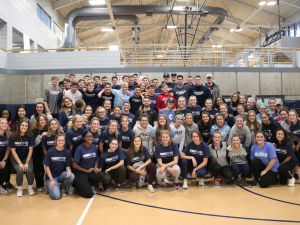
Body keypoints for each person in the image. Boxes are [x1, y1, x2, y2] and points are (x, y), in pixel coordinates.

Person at [43, 134, 75, 200]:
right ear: (56, 141)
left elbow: (67, 166)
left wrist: (69, 171)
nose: (61, 142)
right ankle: (48, 185)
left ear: (65, 141)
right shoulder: (50, 152)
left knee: (71, 176)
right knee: (56, 196)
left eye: (62, 140)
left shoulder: (67, 152)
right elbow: (47, 167)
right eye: (59, 140)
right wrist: (51, 180)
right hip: (51, 177)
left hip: (61, 175)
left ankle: (62, 188)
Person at [73, 130, 103, 198]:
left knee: (100, 175)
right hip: (81, 173)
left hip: (90, 171)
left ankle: (91, 184)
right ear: (84, 138)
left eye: (91, 136)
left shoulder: (93, 147)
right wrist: (86, 171)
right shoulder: (79, 149)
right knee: (89, 195)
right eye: (87, 137)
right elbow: (74, 165)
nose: (90, 138)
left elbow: (96, 159)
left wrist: (95, 166)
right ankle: (76, 187)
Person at [9, 120, 35, 197]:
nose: (24, 127)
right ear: (19, 126)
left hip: (26, 157)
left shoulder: (30, 136)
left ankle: (30, 187)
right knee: (20, 171)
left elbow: (30, 150)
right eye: (22, 125)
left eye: (26, 126)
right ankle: (19, 189)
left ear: (28, 127)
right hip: (15, 157)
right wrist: (20, 163)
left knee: (29, 171)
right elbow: (13, 151)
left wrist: (26, 162)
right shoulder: (13, 136)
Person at [31, 114, 49, 192]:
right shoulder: (34, 130)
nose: (42, 121)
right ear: (38, 121)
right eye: (41, 120)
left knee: (44, 168)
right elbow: (34, 144)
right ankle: (39, 185)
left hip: (45, 151)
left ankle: (45, 184)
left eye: (44, 120)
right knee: (37, 169)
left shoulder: (49, 129)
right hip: (36, 152)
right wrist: (41, 136)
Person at [0, 118, 11, 194]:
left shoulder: (8, 135)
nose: (4, 124)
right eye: (2, 123)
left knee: (4, 170)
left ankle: (0, 187)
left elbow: (8, 149)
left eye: (5, 123)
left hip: (2, 157)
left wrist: (4, 160)